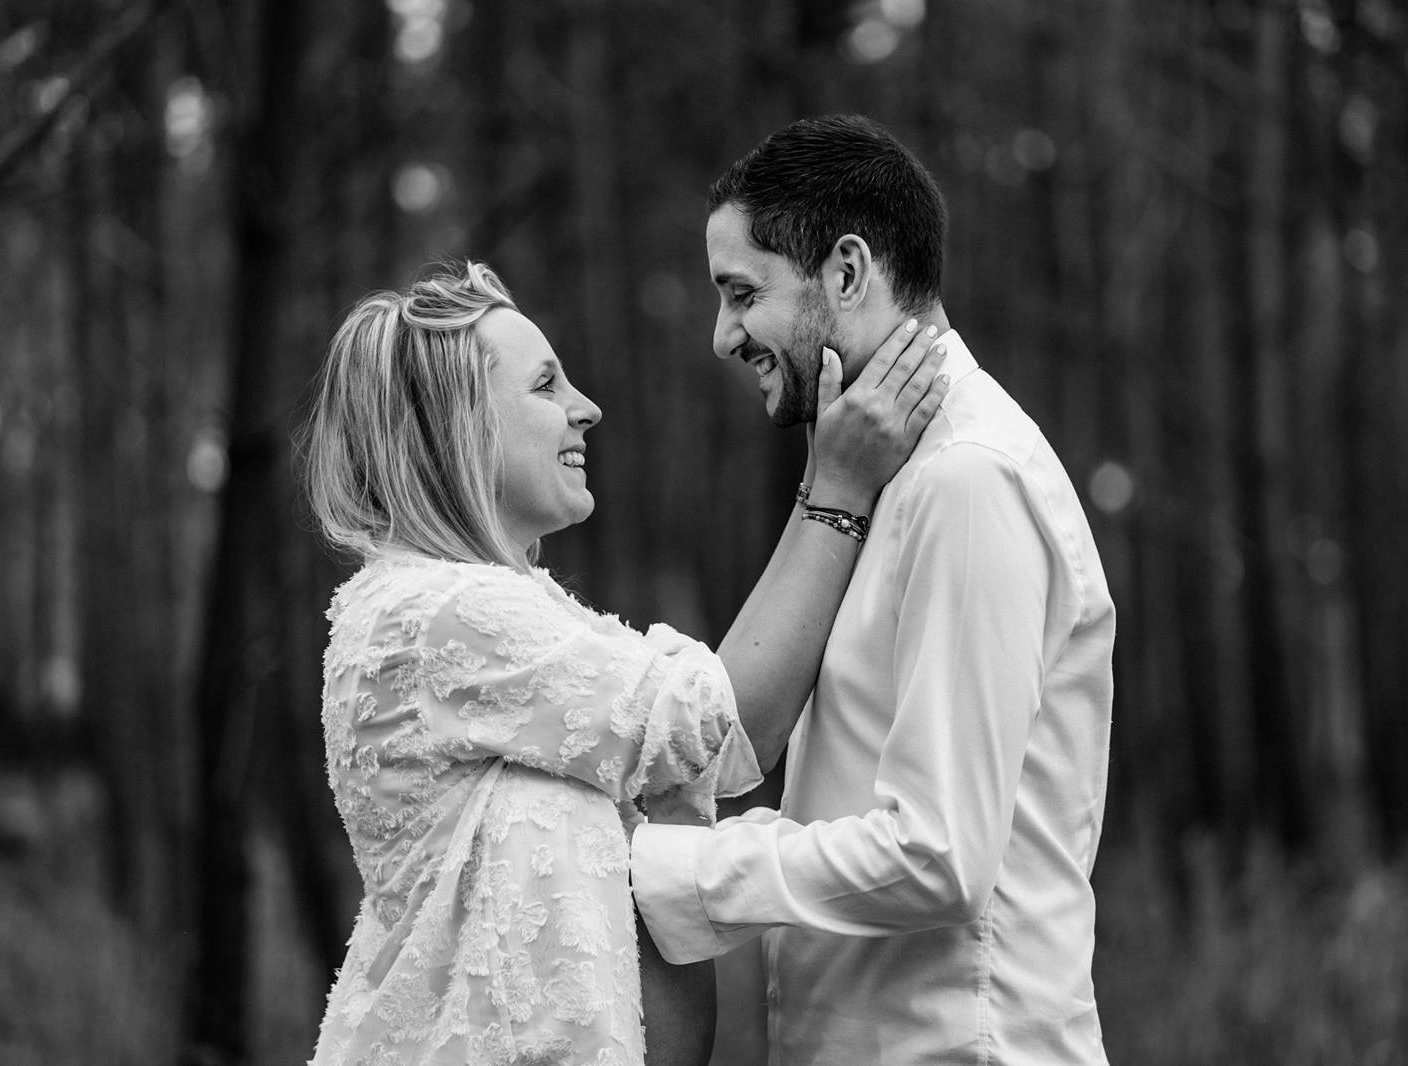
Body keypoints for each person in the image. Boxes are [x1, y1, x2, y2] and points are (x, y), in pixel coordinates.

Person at [300, 261, 949, 1066]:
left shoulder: (519, 619)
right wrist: (837, 489)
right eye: (546, 386)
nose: (588, 408)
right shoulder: (434, 614)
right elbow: (731, 726)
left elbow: (653, 976)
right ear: (453, 428)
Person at [630, 115, 1118, 1065]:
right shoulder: (885, 473)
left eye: (741, 294)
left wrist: (665, 869)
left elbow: (936, 856)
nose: (722, 335)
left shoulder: (969, 481)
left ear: (846, 273)